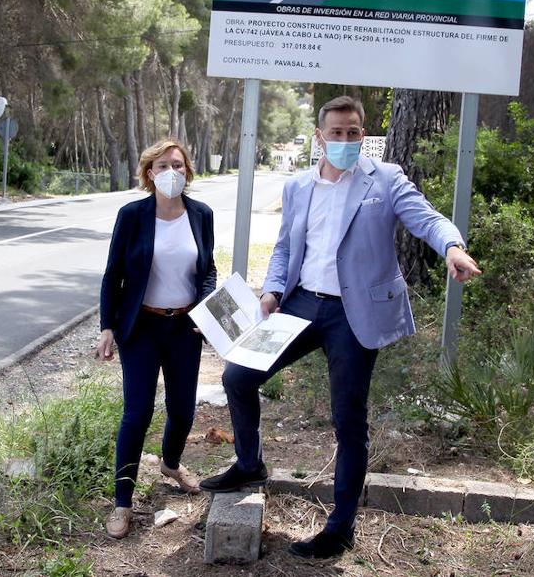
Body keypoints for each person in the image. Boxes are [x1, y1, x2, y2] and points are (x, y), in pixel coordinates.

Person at [199, 95, 481, 558]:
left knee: (348, 420)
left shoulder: (385, 180)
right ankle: (249, 463)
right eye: (337, 133)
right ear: (320, 136)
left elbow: (426, 219)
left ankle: (341, 527)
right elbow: (287, 249)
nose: (346, 140)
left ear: (363, 136)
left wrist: (451, 247)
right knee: (237, 376)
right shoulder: (297, 188)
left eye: (354, 133)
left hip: (354, 315)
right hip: (302, 304)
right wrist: (271, 291)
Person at [95, 138, 217, 539]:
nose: (171, 173)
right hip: (142, 328)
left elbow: (209, 269)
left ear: (188, 172)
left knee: (182, 410)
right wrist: (107, 326)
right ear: (149, 173)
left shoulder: (201, 214)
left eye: (178, 166)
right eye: (162, 166)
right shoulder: (132, 215)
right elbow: (113, 275)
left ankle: (170, 463)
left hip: (184, 328)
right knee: (137, 413)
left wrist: (203, 307)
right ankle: (122, 503)